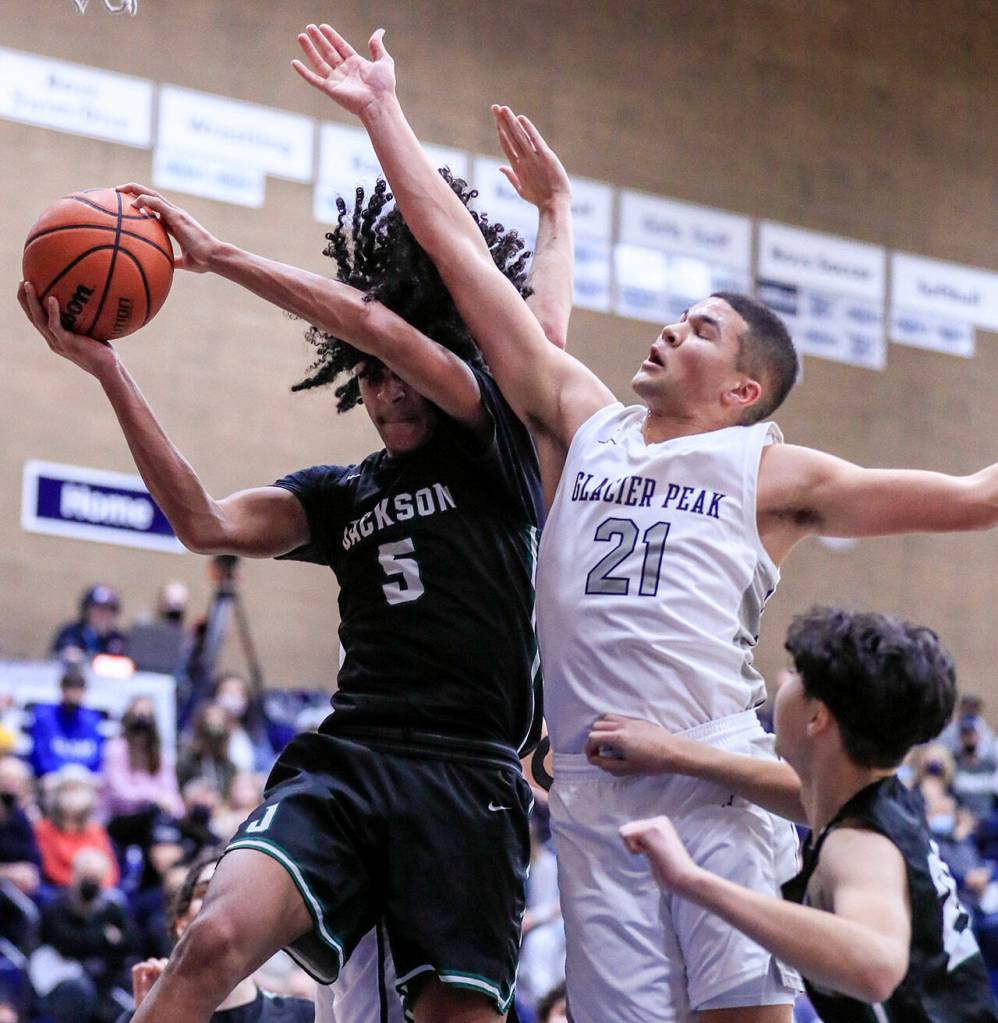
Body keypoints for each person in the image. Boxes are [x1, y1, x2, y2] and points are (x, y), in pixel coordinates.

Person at [293, 21, 998, 1022]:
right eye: (678, 314)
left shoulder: (771, 470)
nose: (671, 327)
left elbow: (976, 499)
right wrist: (382, 113)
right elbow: (461, 262)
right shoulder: (586, 422)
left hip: (707, 768)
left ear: (740, 389)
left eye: (701, 328)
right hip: (587, 787)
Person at [17, 101, 572, 1023]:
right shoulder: (339, 492)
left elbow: (519, 339)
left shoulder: (491, 439)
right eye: (367, 373)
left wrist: (224, 255)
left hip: (469, 779)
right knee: (212, 940)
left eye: (396, 368)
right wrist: (108, 370)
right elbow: (201, 521)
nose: (385, 384)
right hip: (350, 755)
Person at [616, 607, 997, 1022]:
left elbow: (876, 968)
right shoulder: (867, 797)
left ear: (818, 717)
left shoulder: (859, 846)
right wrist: (673, 754)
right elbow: (800, 794)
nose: (782, 682)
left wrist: (691, 880)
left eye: (797, 676)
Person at [118, 849, 315, 1023]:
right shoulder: (139, 1017)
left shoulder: (303, 1016)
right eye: (206, 892)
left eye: (234, 892)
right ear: (181, 925)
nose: (220, 905)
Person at [35, 848, 136, 1023]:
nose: (91, 883)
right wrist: (104, 936)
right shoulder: (56, 905)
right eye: (86, 876)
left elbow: (129, 943)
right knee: (77, 990)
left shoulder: (112, 906)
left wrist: (97, 940)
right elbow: (66, 944)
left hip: (107, 974)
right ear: (74, 874)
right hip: (64, 974)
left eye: (96, 878)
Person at [34, 766, 119, 890]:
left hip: (95, 891)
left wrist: (95, 888)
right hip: (58, 890)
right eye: (67, 789)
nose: (72, 797)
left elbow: (110, 872)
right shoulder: (43, 828)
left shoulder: (95, 830)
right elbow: (50, 869)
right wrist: (79, 886)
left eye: (78, 789)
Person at [101, 696, 183, 821]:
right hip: (122, 816)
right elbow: (120, 791)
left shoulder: (158, 752)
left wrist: (177, 811)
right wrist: (153, 796)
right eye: (138, 714)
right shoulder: (116, 748)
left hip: (154, 814)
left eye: (147, 715)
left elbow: (170, 789)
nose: (143, 720)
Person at [29, 666, 104, 778]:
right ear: (62, 689)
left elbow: (96, 758)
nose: (73, 694)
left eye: (77, 689)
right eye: (69, 688)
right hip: (54, 776)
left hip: (84, 777)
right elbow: (41, 758)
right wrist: (66, 773)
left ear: (84, 691)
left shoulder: (92, 719)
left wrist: (79, 773)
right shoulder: (44, 717)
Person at [51, 585, 127, 663]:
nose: (103, 614)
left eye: (109, 610)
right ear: (86, 611)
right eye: (98, 609)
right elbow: (65, 653)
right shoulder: (71, 633)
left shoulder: (119, 639)